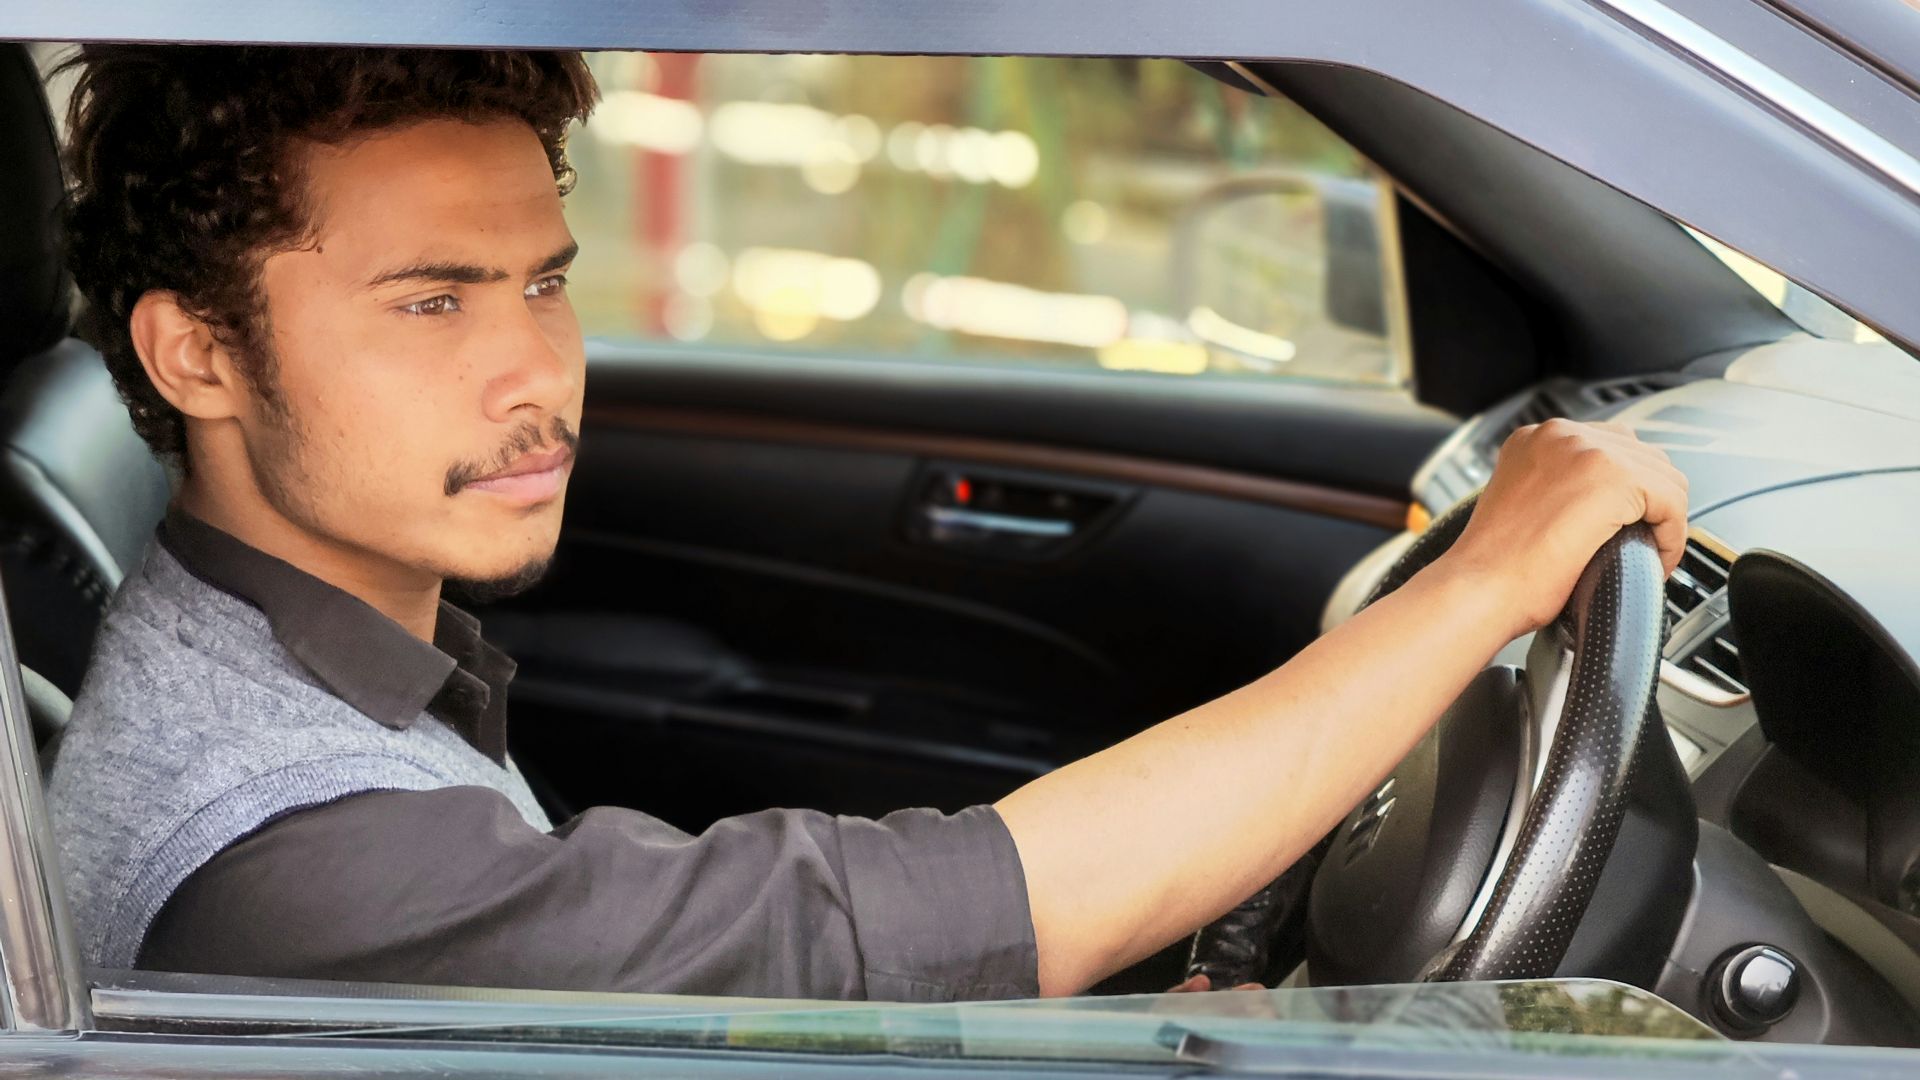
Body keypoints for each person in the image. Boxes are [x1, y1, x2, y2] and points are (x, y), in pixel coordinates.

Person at [44, 45, 1688, 1002]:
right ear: (197, 352)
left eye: (544, 281)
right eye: (429, 302)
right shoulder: (295, 861)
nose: (533, 372)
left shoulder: (275, 647)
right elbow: (912, 922)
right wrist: (1484, 583)